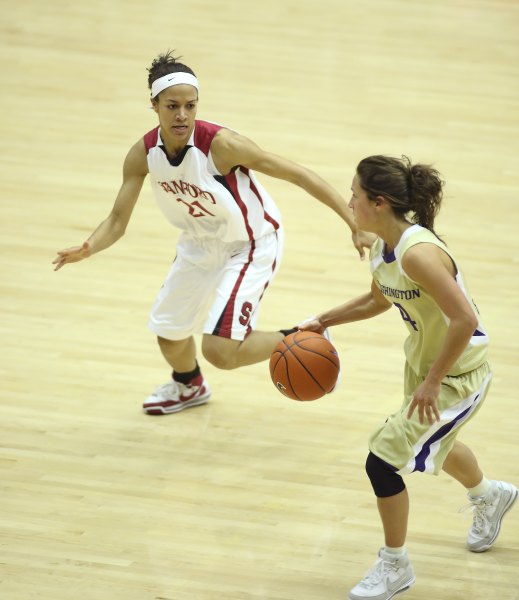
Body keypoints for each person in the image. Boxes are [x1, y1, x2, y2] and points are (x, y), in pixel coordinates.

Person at [53, 50, 372, 416]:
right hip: (198, 244)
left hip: (251, 244)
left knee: (220, 352)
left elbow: (298, 175)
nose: (182, 115)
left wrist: (353, 224)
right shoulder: (143, 154)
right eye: (172, 106)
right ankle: (190, 387)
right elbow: (116, 221)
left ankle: (305, 338)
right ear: (154, 105)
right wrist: (90, 246)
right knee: (169, 332)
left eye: (190, 106)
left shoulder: (222, 145)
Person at [299, 155, 518, 600]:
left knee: (381, 461)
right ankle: (489, 495)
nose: (350, 203)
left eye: (355, 195)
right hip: (425, 363)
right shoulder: (384, 245)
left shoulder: (418, 254)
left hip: (458, 373)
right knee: (437, 442)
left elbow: (464, 319)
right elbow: (377, 300)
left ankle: (395, 565)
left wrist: (434, 381)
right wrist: (324, 320)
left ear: (379, 202)